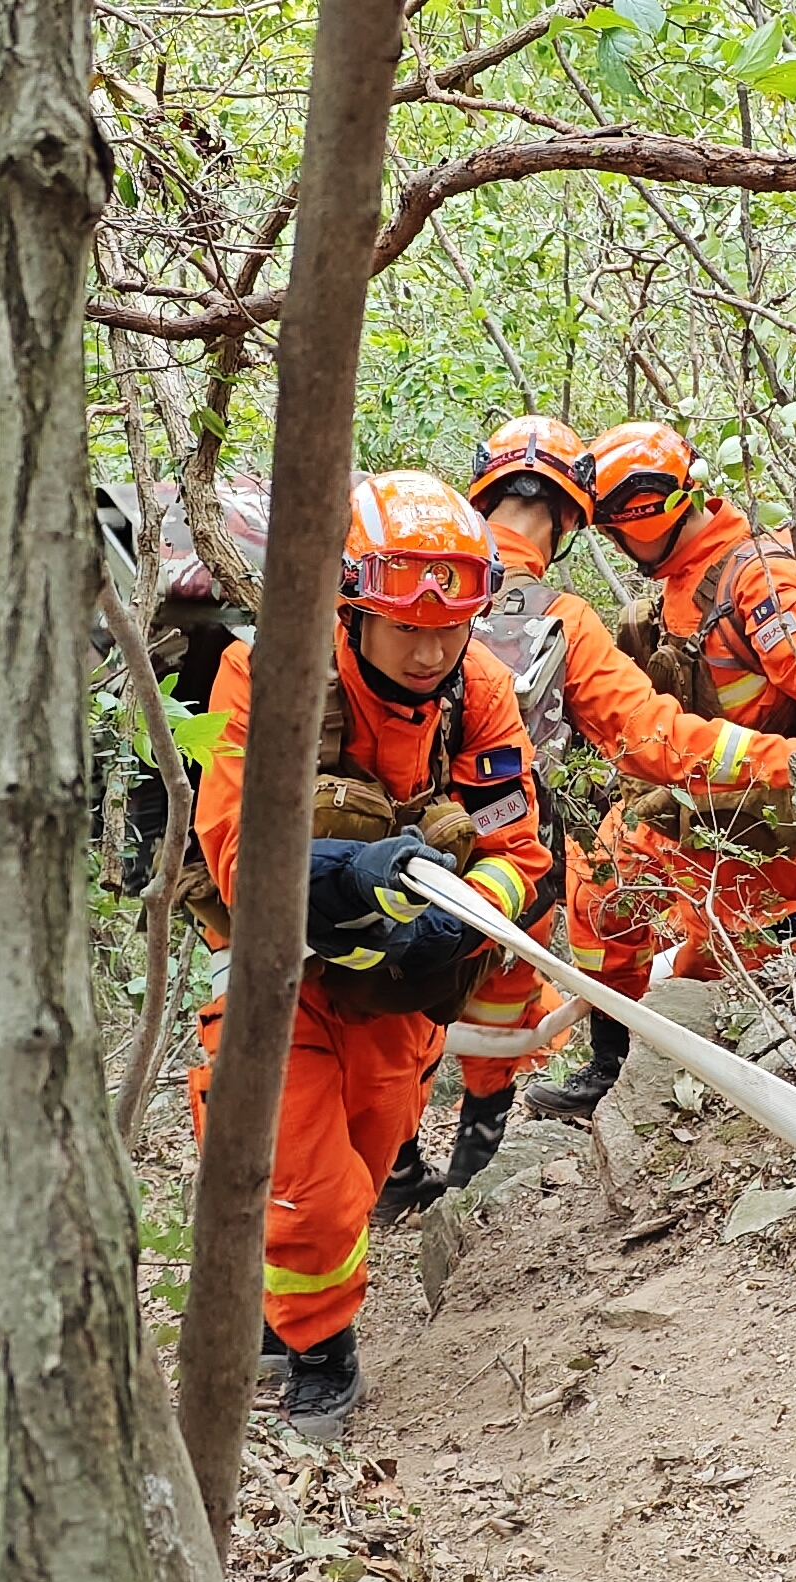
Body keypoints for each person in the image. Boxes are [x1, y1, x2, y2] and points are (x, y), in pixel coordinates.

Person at [187, 470, 551, 1439]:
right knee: (300, 1177)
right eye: (405, 629)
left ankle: (286, 1313)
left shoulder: (478, 691)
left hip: (398, 992)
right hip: (281, 976)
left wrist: (464, 915)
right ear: (351, 607)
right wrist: (349, 870)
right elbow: (235, 854)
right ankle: (322, 1354)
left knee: (360, 1161)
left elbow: (519, 850)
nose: (430, 651)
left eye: (449, 628)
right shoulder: (269, 673)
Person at [372, 417, 796, 1197]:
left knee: (382, 1015)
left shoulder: (385, 577)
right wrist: (794, 763)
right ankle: (474, 1172)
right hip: (501, 852)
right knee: (500, 998)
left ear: (479, 491)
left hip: (366, 847)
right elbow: (654, 740)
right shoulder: (561, 618)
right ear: (573, 519)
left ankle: (396, 1172)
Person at [522, 421, 796, 1119]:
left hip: (766, 818)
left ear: (655, 510)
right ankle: (612, 1062)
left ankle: (724, 1077)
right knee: (599, 887)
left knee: (722, 964)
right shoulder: (680, 586)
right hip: (697, 801)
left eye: (619, 528)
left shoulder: (760, 581)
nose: (616, 543)